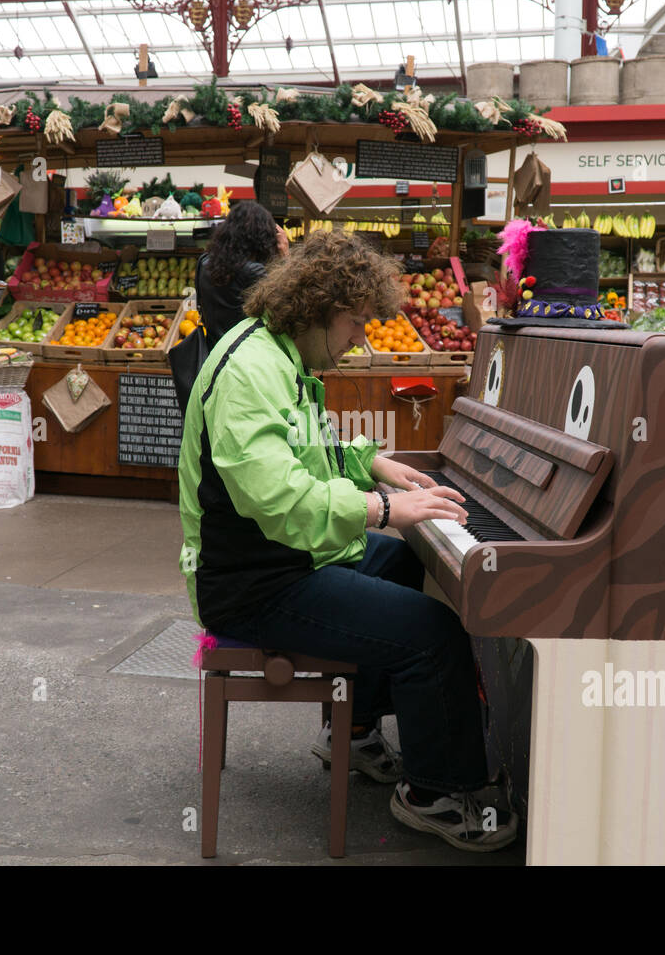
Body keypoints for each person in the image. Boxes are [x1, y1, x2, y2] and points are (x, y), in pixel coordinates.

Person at [177, 230, 518, 852]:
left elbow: (308, 445)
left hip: (277, 559)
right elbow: (278, 498)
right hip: (250, 584)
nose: (359, 340)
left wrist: (374, 464)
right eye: (356, 324)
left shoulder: (277, 353)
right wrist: (384, 508)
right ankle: (435, 792)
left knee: (399, 560)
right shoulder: (253, 372)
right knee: (433, 634)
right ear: (322, 310)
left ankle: (354, 729)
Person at [195, 201, 289, 345]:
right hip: (241, 353)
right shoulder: (253, 272)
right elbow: (286, 303)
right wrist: (285, 254)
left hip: (213, 350)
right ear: (260, 238)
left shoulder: (204, 262)